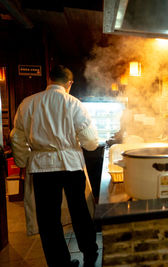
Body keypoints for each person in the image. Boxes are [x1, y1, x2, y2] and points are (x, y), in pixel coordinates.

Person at [10, 65, 99, 267]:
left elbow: (17, 136)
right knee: (80, 211)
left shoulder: (28, 103)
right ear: (69, 84)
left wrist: (23, 161)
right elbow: (90, 141)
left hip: (42, 168)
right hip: (71, 166)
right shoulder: (74, 103)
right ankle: (90, 254)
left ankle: (60, 263)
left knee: (49, 219)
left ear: (49, 80)